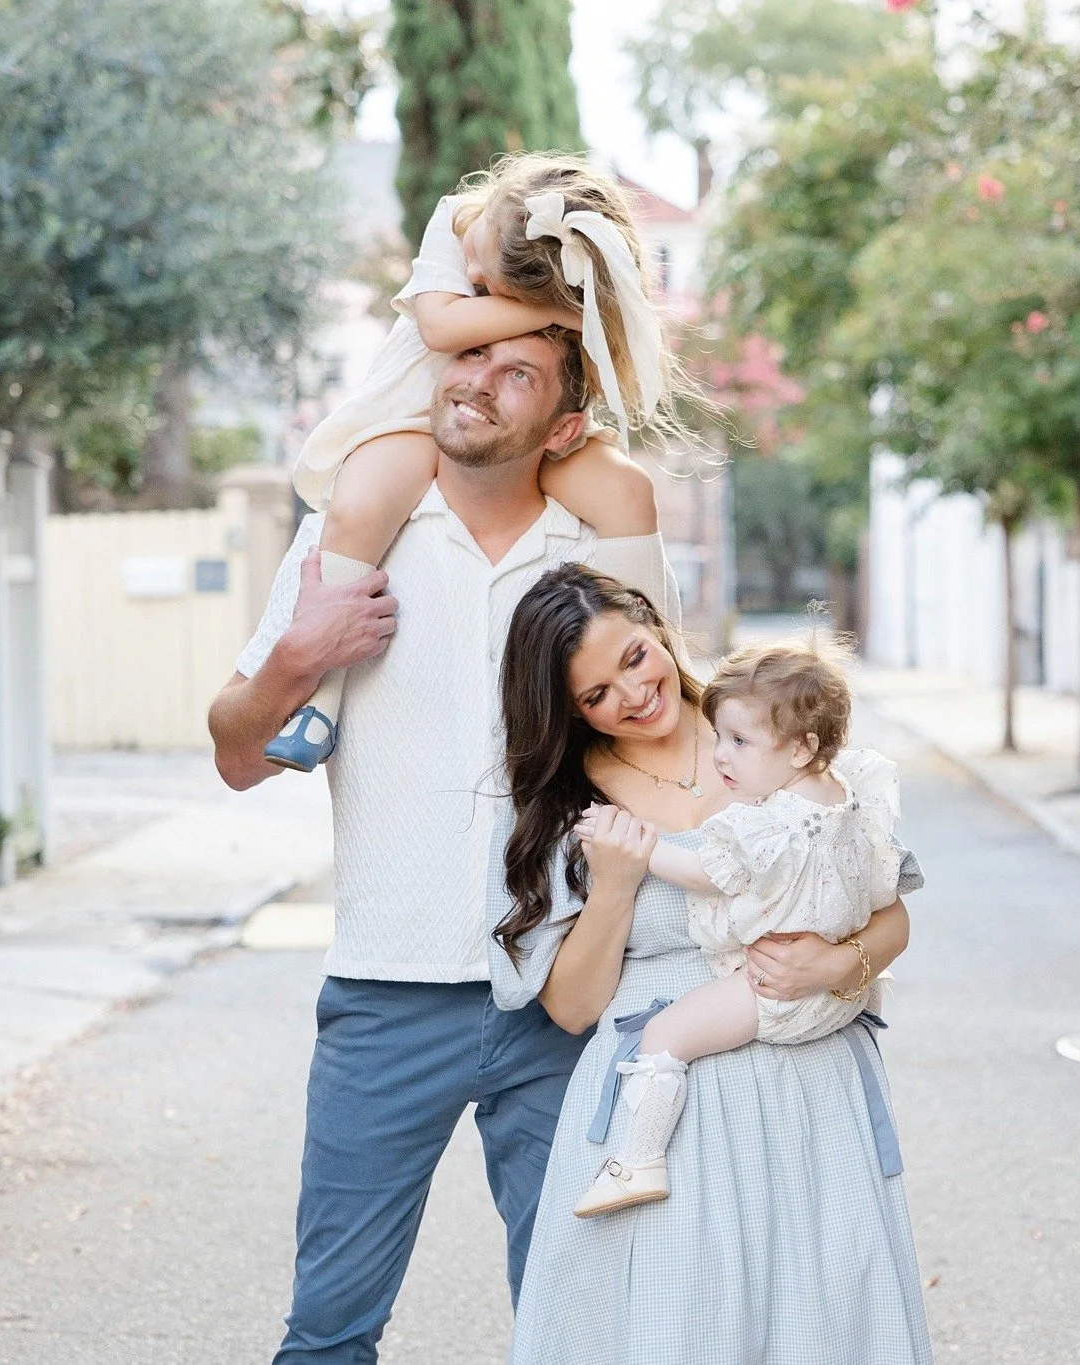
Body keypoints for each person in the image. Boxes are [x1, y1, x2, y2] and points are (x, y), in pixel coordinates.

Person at [208, 328, 679, 1364]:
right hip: (386, 1000)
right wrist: (297, 658)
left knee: (584, 1328)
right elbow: (237, 755)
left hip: (563, 1001)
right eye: (467, 359)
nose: (474, 381)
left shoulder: (593, 557)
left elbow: (673, 741)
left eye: (517, 372)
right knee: (328, 1334)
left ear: (563, 425)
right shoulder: (355, 539)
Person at [487, 565, 933, 1365]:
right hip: (666, 1114)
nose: (629, 694)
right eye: (594, 694)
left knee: (818, 1320)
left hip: (808, 1087)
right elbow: (571, 1007)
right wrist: (616, 886)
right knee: (676, 1326)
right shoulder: (569, 806)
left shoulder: (778, 726)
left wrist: (834, 962)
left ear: (656, 629)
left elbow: (889, 910)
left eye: (632, 657)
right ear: (570, 711)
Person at [265, 151, 700, 771]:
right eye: (482, 267)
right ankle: (322, 704)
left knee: (629, 493)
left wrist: (576, 324)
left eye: (486, 281)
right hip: (416, 415)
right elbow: (441, 329)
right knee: (363, 503)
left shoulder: (563, 287)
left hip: (523, 430)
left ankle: (658, 678)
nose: (468, 271)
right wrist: (555, 313)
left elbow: (598, 380)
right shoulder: (455, 222)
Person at [570, 638, 912, 1218]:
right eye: (721, 738)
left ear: (803, 748)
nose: (721, 756)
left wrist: (638, 848)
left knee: (664, 1038)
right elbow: (884, 887)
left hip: (777, 992)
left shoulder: (766, 823)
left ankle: (639, 1158)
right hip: (836, 1006)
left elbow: (706, 872)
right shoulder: (849, 798)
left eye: (738, 742)